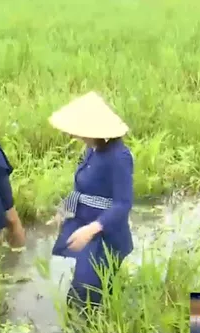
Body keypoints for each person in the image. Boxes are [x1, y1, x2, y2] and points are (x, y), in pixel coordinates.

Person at [46, 91, 134, 311]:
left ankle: (101, 322)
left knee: (88, 294)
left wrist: (91, 229)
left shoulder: (119, 157)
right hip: (86, 226)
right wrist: (63, 211)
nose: (75, 136)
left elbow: (123, 204)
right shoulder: (93, 149)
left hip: (106, 236)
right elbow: (82, 188)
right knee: (82, 292)